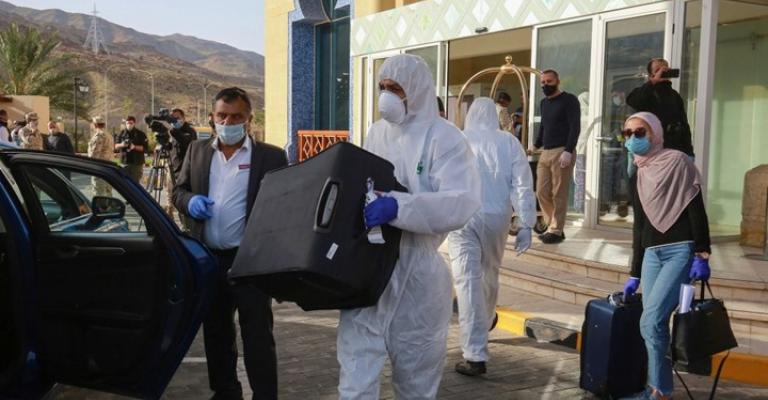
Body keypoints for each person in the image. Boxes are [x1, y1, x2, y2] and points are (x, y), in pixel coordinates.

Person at [337, 54, 480, 399]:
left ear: (417, 90)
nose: (387, 95)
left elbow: (461, 201)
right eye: (382, 87)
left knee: (416, 377)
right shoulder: (377, 132)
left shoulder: (445, 137)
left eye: (396, 88)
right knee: (356, 368)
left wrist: (398, 207)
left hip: (419, 273)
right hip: (371, 265)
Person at [172, 87, 287, 400]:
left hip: (250, 261)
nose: (228, 122)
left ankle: (265, 395)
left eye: (236, 117)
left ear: (249, 119)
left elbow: (284, 205)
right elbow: (178, 191)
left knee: (257, 334)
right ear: (212, 117)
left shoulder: (271, 157)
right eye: (222, 116)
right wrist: (190, 201)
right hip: (210, 259)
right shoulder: (197, 151)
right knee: (217, 332)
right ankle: (226, 392)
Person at [620, 112, 711, 400]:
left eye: (639, 132)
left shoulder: (678, 161)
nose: (632, 139)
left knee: (650, 321)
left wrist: (702, 253)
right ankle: (658, 388)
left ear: (655, 133)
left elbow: (696, 207)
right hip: (651, 254)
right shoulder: (637, 173)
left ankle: (659, 390)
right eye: (627, 133)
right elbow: (639, 226)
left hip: (679, 250)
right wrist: (634, 272)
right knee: (653, 323)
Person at [448, 97, 536, 377]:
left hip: (463, 217)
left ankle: (474, 353)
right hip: (497, 217)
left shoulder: (458, 140)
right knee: (489, 274)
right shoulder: (509, 142)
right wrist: (525, 223)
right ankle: (485, 321)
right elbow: (522, 184)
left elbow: (444, 181)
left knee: (466, 282)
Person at [529, 69, 581, 244]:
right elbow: (543, 127)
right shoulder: (544, 103)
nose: (545, 85)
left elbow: (575, 126)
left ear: (557, 81)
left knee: (559, 193)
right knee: (541, 192)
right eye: (543, 82)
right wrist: (535, 145)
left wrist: (569, 150)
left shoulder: (569, 100)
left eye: (549, 81)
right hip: (546, 151)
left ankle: (556, 230)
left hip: (562, 151)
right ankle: (554, 225)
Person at [626, 58, 694, 158]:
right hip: (650, 151)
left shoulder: (675, 96)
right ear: (651, 75)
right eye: (658, 70)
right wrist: (654, 81)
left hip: (673, 148)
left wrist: (689, 152)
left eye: (665, 69)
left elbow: (684, 125)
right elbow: (632, 101)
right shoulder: (646, 92)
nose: (662, 72)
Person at [166, 108, 197, 221]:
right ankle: (168, 222)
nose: (175, 121)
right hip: (172, 170)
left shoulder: (190, 131)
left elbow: (186, 142)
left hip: (184, 172)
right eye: (173, 118)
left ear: (183, 118)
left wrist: (172, 130)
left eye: (177, 118)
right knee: (170, 198)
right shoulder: (172, 132)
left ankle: (186, 224)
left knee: (182, 200)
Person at [115, 116, 147, 184]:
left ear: (134, 123)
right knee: (124, 183)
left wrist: (134, 147)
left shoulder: (140, 134)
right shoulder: (121, 133)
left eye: (131, 123)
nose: (129, 124)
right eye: (127, 123)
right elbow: (115, 146)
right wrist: (122, 145)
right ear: (125, 123)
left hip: (137, 163)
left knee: (135, 183)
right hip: (125, 162)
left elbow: (145, 148)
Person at [87, 116, 115, 196]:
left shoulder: (99, 136)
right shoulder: (109, 135)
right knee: (108, 193)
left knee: (99, 194)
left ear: (95, 124)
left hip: (99, 169)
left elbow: (94, 156)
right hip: (108, 168)